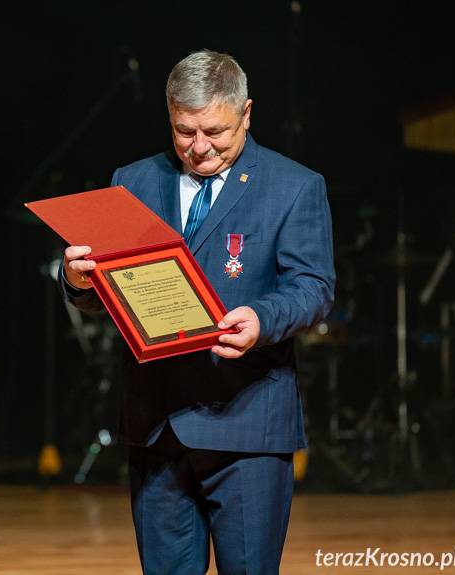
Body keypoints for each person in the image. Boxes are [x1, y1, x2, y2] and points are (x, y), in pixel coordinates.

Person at [61, 50, 335, 574]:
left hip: (246, 420)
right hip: (156, 425)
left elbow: (313, 286)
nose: (199, 147)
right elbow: (108, 287)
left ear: (247, 113)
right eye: (184, 131)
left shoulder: (294, 186)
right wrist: (76, 279)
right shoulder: (131, 181)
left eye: (215, 131)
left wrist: (262, 318)